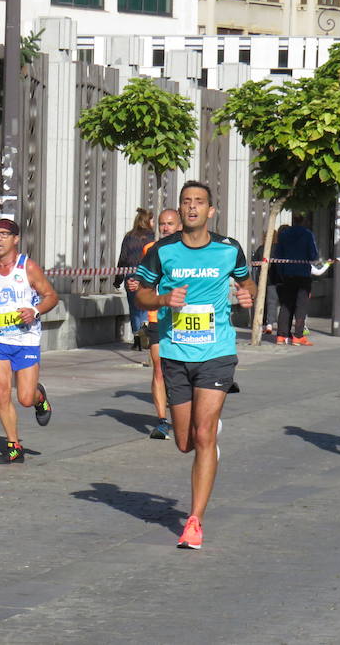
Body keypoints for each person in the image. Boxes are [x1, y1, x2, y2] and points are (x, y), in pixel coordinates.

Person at [134, 181, 256, 550]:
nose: (192, 208)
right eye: (186, 202)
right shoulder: (162, 250)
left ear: (210, 211)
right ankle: (205, 432)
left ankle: (194, 521)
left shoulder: (228, 249)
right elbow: (140, 291)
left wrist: (246, 293)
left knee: (204, 437)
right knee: (184, 443)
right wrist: (162, 298)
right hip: (175, 351)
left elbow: (244, 280)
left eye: (199, 203)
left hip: (217, 353)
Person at [0, 219, 59, 464]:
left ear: (15, 239)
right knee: (1, 392)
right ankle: (14, 446)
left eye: (3, 234)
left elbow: (52, 296)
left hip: (26, 340)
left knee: (24, 398)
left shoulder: (27, 268)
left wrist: (35, 311)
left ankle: (39, 398)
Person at [129, 208, 181, 440]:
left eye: (170, 224)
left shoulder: (191, 250)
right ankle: (162, 421)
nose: (165, 228)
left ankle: (185, 414)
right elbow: (145, 280)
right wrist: (136, 286)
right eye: (162, 224)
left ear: (179, 226)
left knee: (183, 371)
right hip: (157, 317)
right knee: (159, 369)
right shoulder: (151, 249)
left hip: (184, 319)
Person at [274, 214, 318, 346]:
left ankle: (281, 336)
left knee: (286, 305)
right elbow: (313, 254)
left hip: (287, 273)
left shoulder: (284, 234)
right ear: (304, 220)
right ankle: (298, 336)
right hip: (303, 274)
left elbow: (278, 255)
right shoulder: (307, 234)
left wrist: (282, 272)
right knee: (301, 306)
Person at [114, 209, 156, 350]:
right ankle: (145, 332)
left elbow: (123, 259)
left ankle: (137, 337)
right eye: (152, 220)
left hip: (131, 276)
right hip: (147, 275)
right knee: (145, 304)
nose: (154, 223)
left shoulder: (129, 237)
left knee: (134, 308)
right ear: (147, 221)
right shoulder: (152, 237)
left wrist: (118, 279)